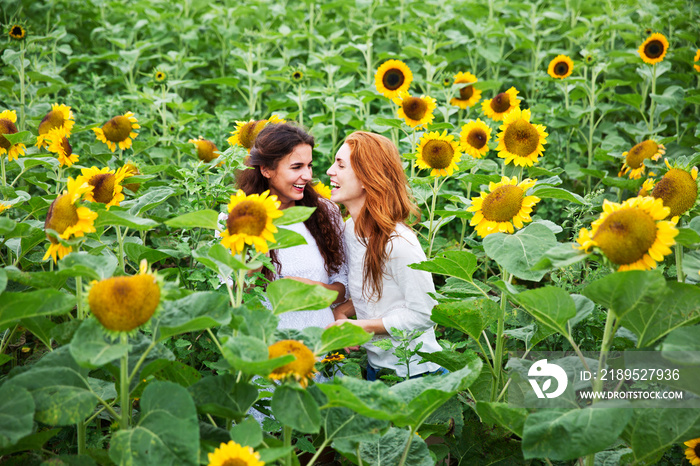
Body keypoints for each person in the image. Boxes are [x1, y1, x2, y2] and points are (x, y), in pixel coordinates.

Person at [326, 131, 444, 381]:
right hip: (377, 370)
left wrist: (363, 327)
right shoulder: (350, 230)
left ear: (367, 178)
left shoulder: (398, 244)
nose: (329, 171)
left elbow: (425, 313)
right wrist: (343, 313)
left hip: (415, 373)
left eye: (340, 165)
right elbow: (374, 296)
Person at [235, 123, 348, 330]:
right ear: (266, 169)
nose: (307, 176)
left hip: (322, 344)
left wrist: (317, 289)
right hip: (266, 345)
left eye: (309, 165)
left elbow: (343, 285)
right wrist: (257, 257)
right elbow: (234, 297)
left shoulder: (325, 212)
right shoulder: (236, 219)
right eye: (297, 167)